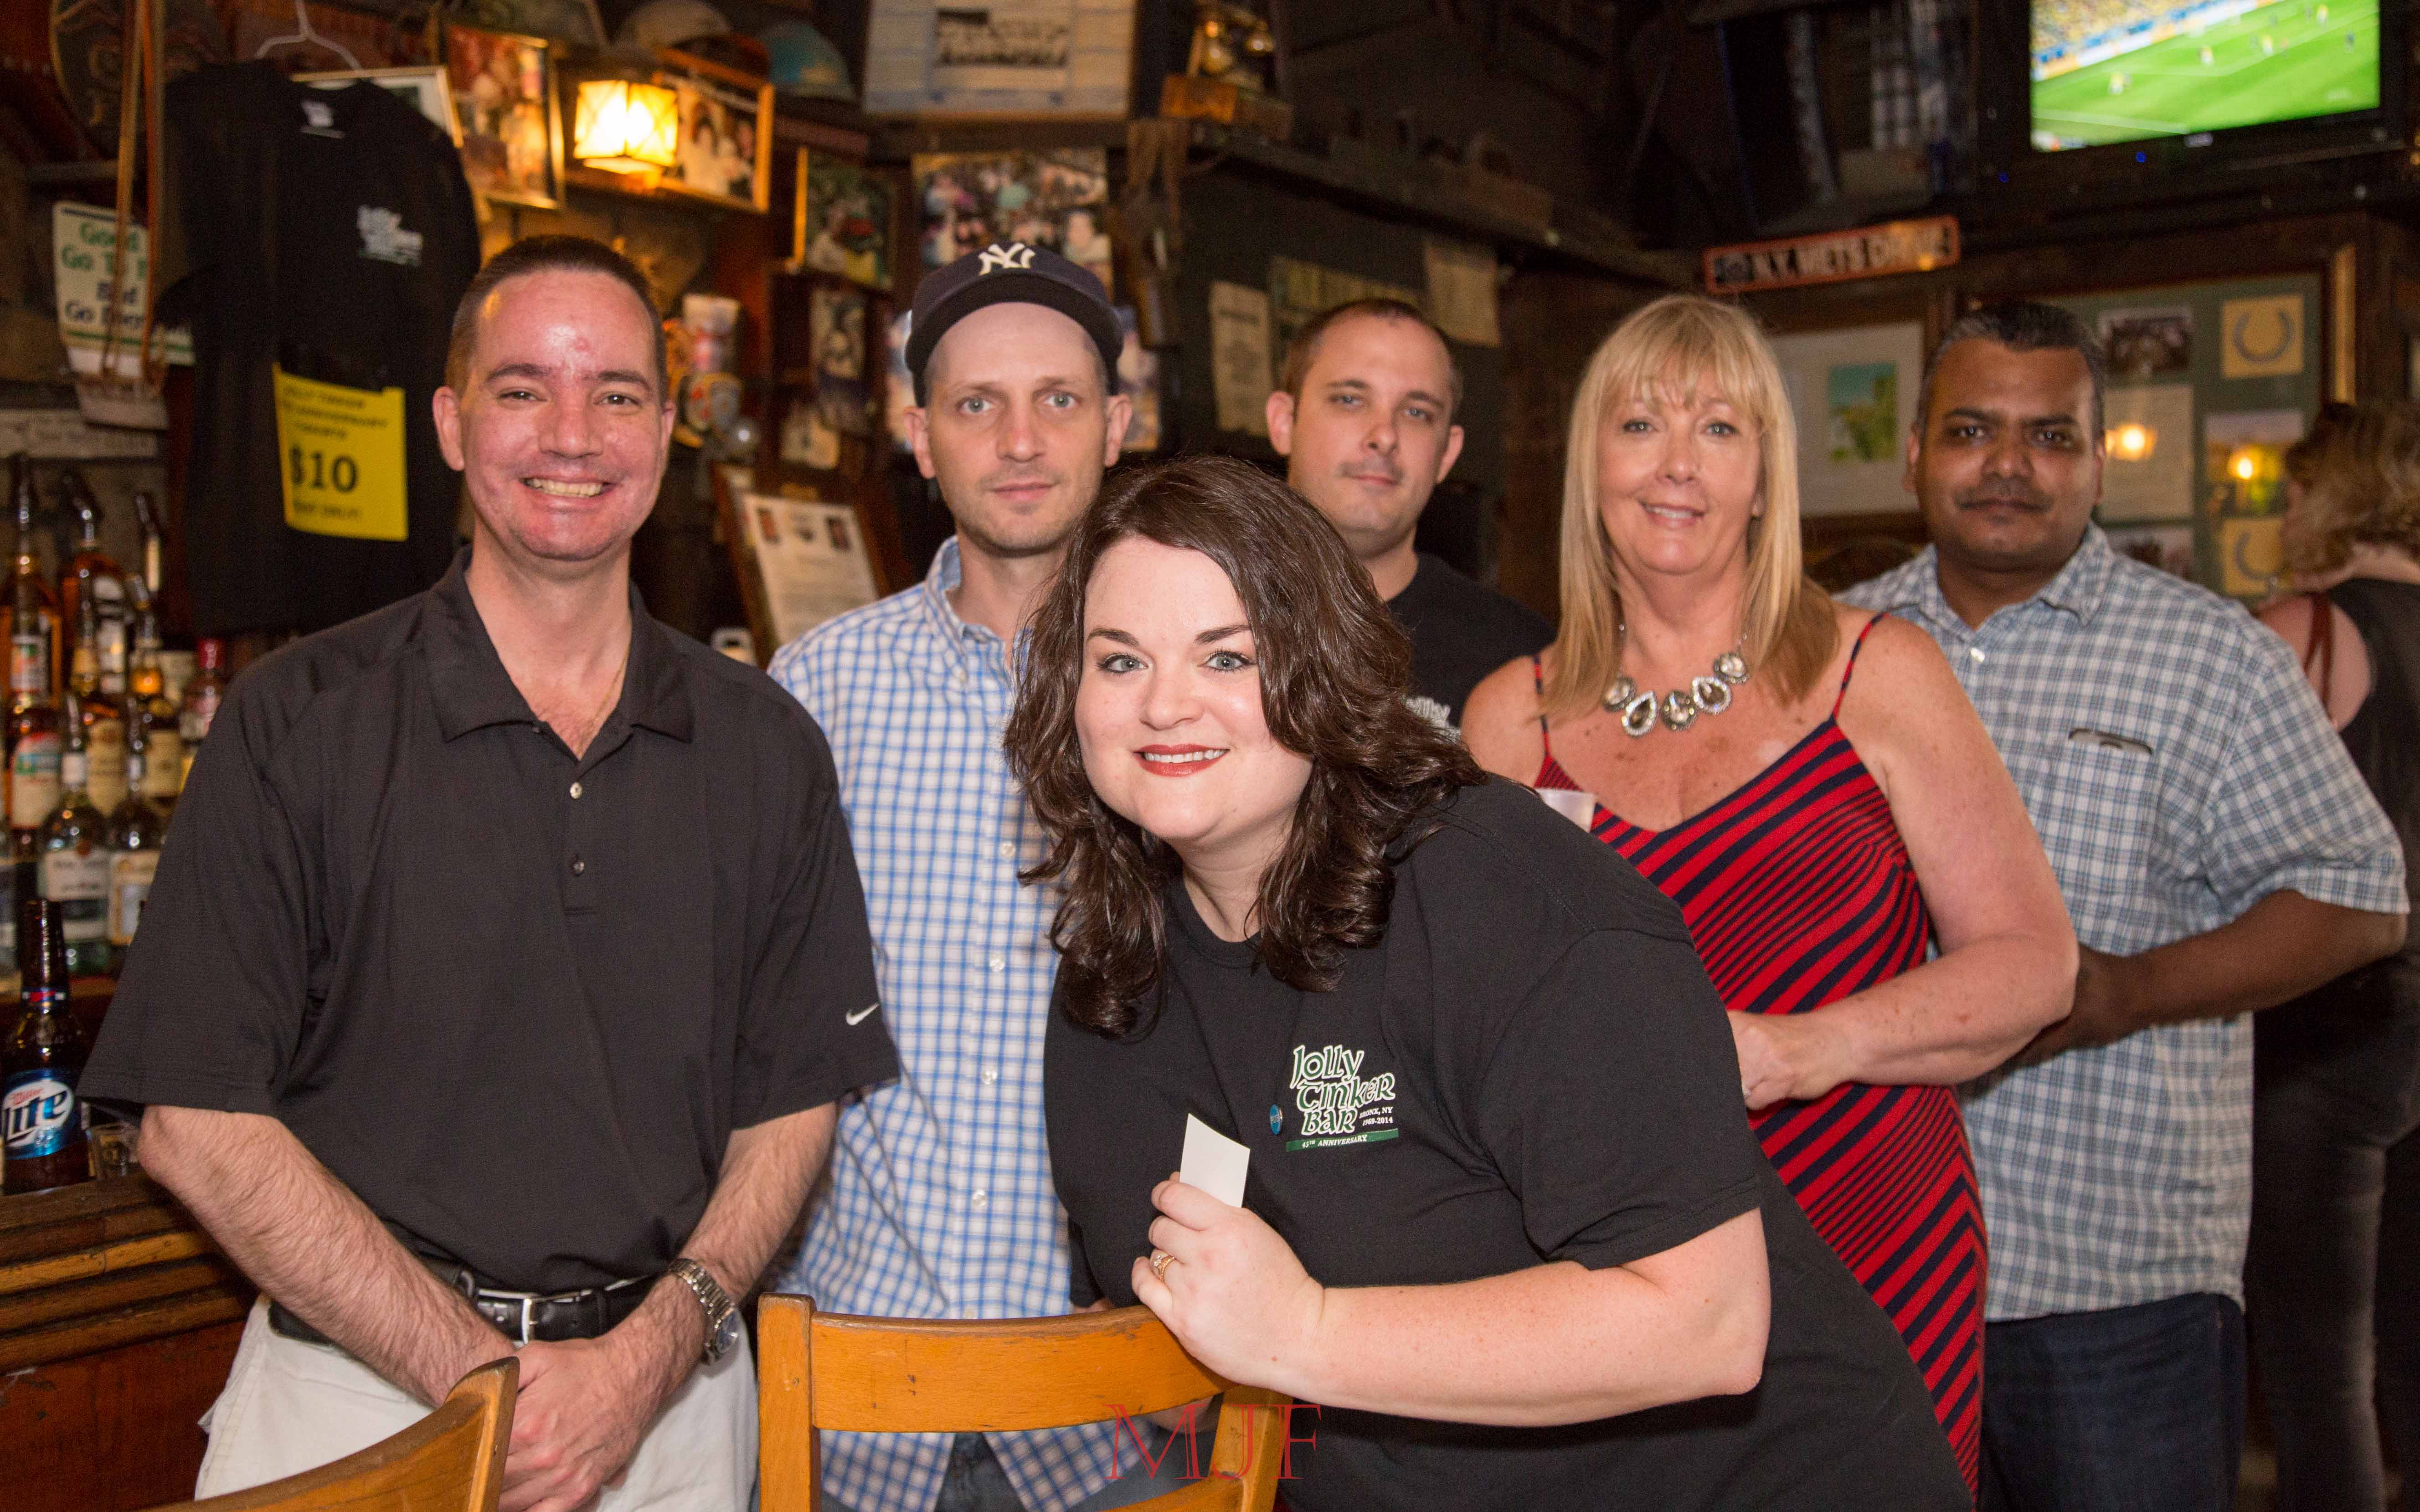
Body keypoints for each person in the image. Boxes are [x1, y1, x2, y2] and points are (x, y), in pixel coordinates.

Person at [78, 236, 900, 1512]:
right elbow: (195, 1117)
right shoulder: (298, 720)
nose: (572, 433)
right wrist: (478, 1374)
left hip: (671, 1414)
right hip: (361, 1399)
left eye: (616, 393)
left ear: (666, 430)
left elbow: (793, 1099)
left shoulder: (764, 744)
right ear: (452, 425)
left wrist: (644, 1359)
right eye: (523, 389)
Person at [1005, 455, 1971, 1512]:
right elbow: (1173, 1355)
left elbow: (1707, 1322)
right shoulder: (1113, 980)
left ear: (1322, 667)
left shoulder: (1504, 896)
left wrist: (1307, 1331)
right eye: (1119, 660)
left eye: (1226, 655)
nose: (1164, 704)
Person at [1463, 293, 2076, 1494]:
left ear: (1763, 478)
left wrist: (1801, 1046)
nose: (1677, 464)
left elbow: (2032, 964)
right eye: (1640, 424)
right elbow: (1476, 1021)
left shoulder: (1876, 672)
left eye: (1719, 428)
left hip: (1869, 1224)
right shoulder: (1507, 719)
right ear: (1591, 464)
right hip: (1619, 1258)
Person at [1842, 301, 2407, 1512]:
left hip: (2115, 1283)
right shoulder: (1828, 648)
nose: (2008, 463)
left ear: (2100, 462)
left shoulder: (2208, 656)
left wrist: (2123, 990)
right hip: (1872, 1266)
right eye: (1971, 430)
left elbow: (2359, 898)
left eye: (2050, 435)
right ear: (1914, 453)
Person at [771, 240, 1153, 1512]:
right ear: (916, 434)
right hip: (853, 1393)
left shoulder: (1195, 691)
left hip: (1122, 1400)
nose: (1020, 439)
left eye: (1058, 398)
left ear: (1118, 422)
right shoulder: (815, 691)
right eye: (975, 403)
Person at [2244, 401, 2420, 1512]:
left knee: (2319, 1365)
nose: (2285, 509)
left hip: (2330, 1023)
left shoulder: (2305, 629)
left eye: (2295, 488)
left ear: (2331, 495)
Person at [1266, 298, 1552, 725]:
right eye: (1350, 400)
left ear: (1447, 453)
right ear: (1284, 422)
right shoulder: (1194, 615)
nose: (1385, 435)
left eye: (1417, 412)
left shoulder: (1520, 659)